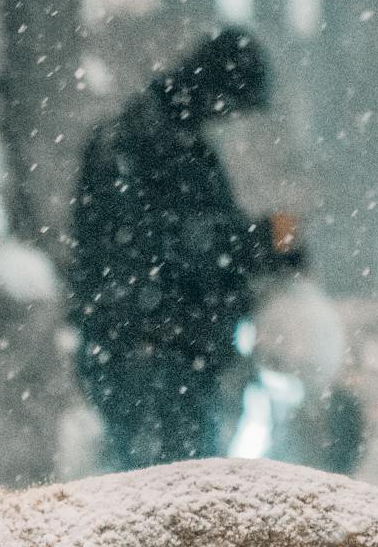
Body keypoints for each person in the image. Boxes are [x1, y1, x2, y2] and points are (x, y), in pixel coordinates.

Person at [69, 29, 286, 470]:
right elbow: (174, 246)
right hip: (156, 357)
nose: (228, 117)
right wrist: (258, 241)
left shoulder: (155, 140)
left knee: (164, 494)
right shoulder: (147, 145)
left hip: (155, 354)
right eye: (231, 104)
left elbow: (185, 240)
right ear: (217, 88)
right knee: (172, 497)